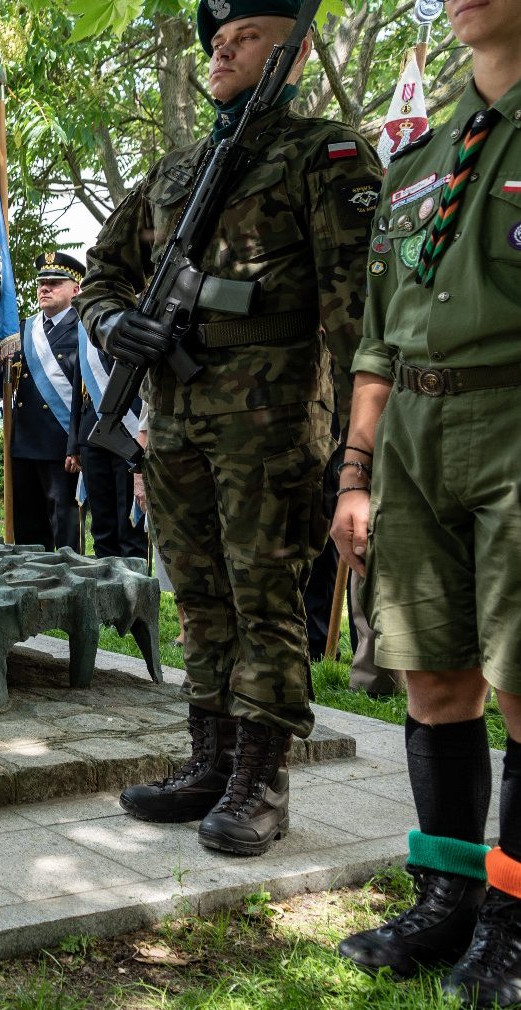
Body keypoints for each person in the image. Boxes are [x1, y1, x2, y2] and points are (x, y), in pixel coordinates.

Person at [75, 0, 380, 857]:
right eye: (216, 40)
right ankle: (207, 761)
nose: (222, 51)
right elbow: (103, 272)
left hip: (272, 417)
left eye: (244, 37)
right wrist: (111, 325)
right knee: (200, 596)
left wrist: (366, 448)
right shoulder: (176, 170)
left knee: (264, 596)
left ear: (294, 49)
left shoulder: (325, 155)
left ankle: (261, 779)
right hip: (174, 415)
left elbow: (359, 312)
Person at [332, 0, 521, 1001]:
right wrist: (355, 472)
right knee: (430, 676)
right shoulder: (417, 164)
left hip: (514, 420)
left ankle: (515, 919)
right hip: (408, 436)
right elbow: (372, 338)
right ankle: (443, 900)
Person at [66, 254, 150, 562]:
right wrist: (74, 443)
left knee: (131, 524)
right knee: (101, 525)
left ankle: (134, 595)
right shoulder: (86, 322)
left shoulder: (145, 310)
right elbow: (79, 386)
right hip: (94, 435)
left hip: (131, 433)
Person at [8, 252, 86, 552]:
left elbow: (84, 395)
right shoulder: (24, 329)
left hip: (62, 446)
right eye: (41, 283)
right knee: (29, 529)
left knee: (65, 529)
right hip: (25, 444)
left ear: (75, 289)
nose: (44, 288)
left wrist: (75, 445)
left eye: (54, 283)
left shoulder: (84, 329)